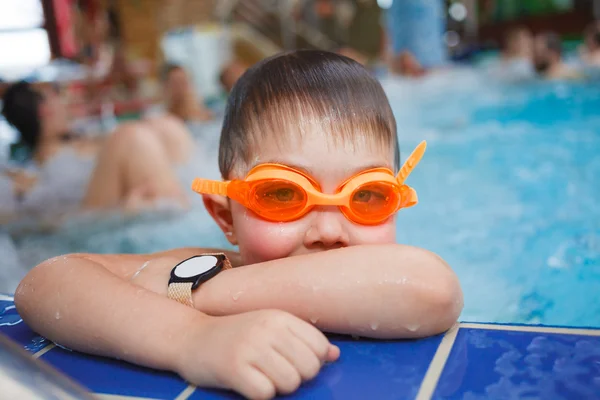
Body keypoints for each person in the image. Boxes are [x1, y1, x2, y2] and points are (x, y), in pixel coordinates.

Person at [14, 50, 463, 399]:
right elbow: (43, 283)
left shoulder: (195, 282)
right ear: (225, 215)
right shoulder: (211, 262)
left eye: (366, 196)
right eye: (284, 194)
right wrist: (193, 340)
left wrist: (198, 293)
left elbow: (433, 288)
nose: (329, 229)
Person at [1, 81, 194, 219]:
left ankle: (197, 201)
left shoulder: (81, 138)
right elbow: (38, 221)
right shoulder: (30, 173)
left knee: (164, 124)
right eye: (57, 94)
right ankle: (186, 214)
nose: (66, 100)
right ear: (45, 110)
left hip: (116, 196)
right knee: (129, 137)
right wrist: (119, 214)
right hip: (90, 216)